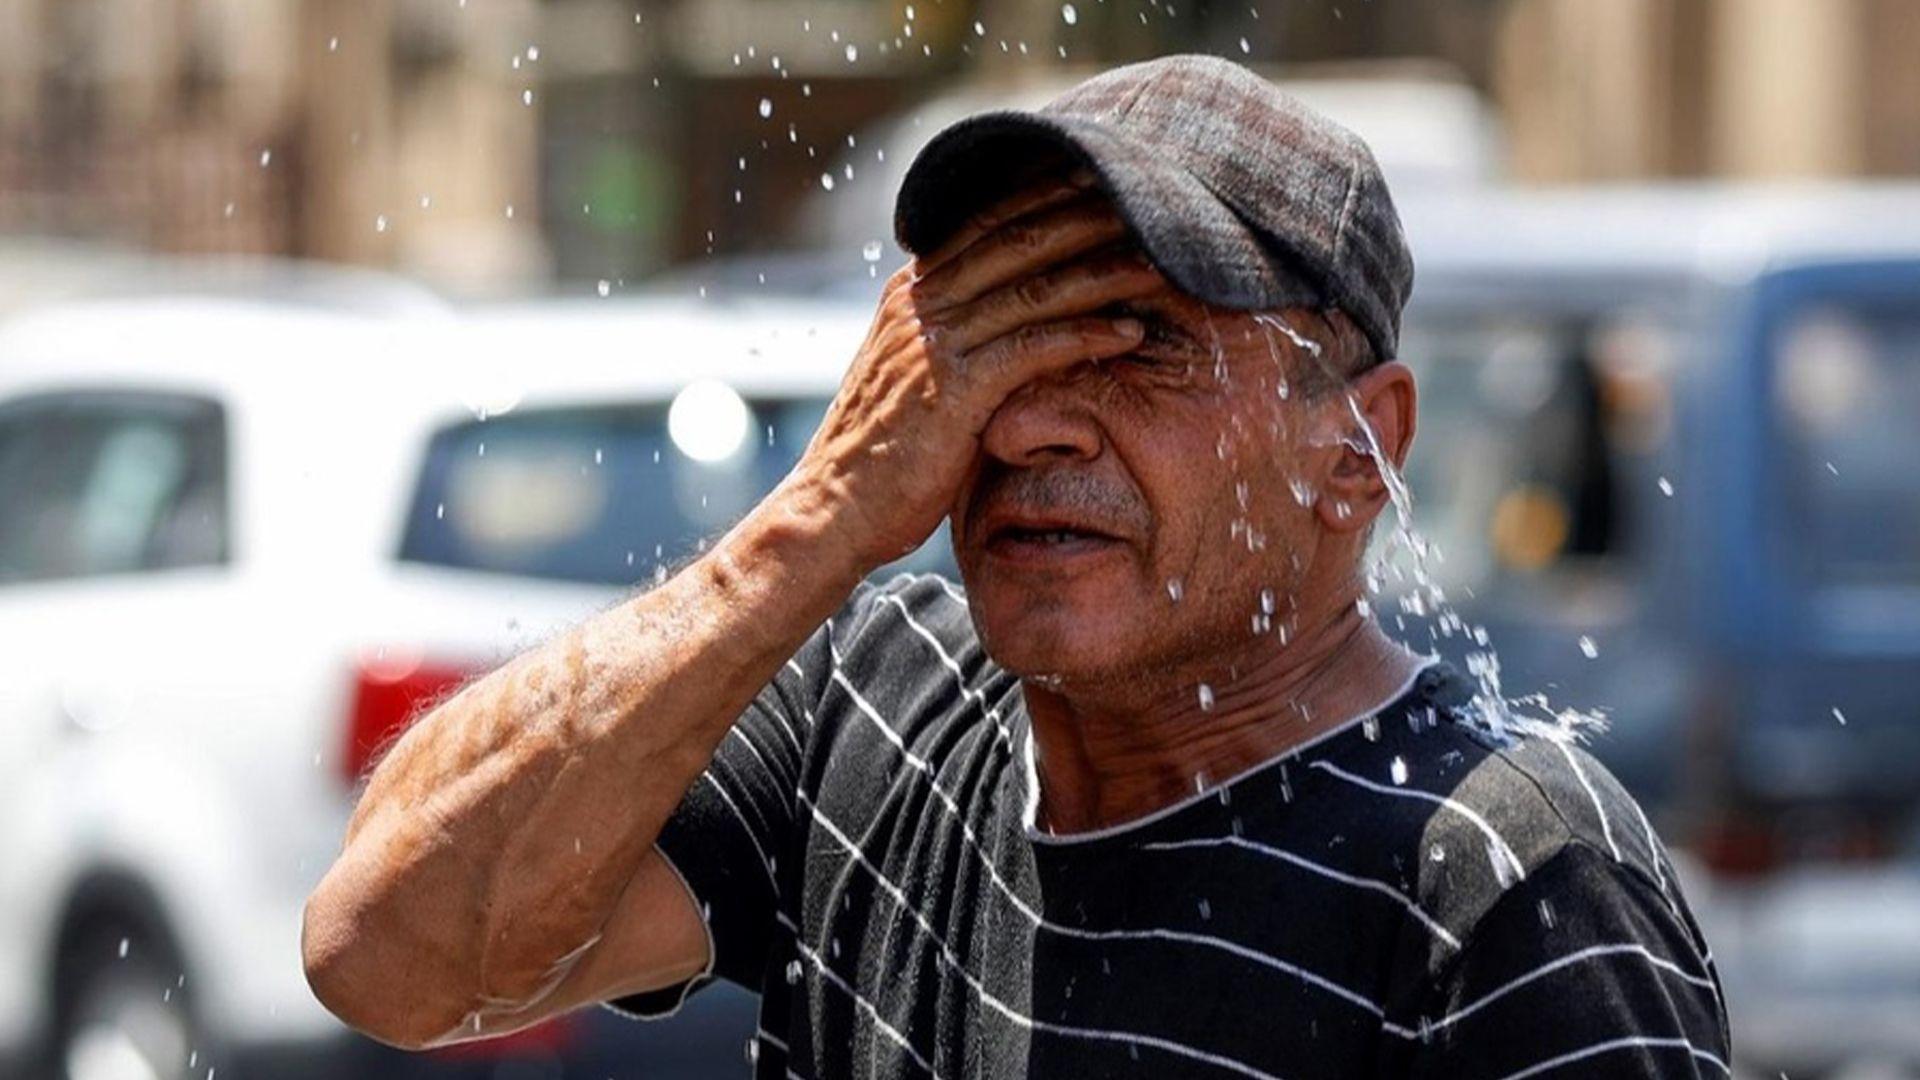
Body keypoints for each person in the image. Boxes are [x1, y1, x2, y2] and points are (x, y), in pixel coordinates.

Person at [304, 55, 1732, 1078]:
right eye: (987, 339)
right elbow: (385, 955)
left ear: (1360, 449)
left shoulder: (1506, 880)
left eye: (1138, 342)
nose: (1030, 422)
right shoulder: (875, 703)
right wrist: (811, 526)